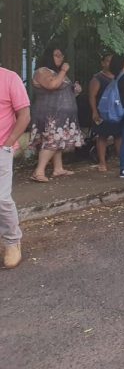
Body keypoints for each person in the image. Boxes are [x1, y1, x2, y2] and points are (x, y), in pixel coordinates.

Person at [28, 47, 84, 182]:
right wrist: (64, 70)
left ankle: (58, 168)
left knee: (57, 142)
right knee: (51, 142)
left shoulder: (57, 72)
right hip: (50, 115)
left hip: (62, 115)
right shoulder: (42, 71)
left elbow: (62, 90)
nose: (61, 58)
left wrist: (75, 89)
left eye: (62, 55)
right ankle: (38, 171)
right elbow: (52, 85)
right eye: (57, 55)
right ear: (48, 56)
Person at [1, 66, 31, 269]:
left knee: (1, 198)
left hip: (1, 147)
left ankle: (12, 241)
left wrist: (9, 143)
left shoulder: (9, 78)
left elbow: (24, 116)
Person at [88, 52, 123, 173]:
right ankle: (102, 162)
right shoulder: (98, 78)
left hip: (117, 112)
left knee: (119, 136)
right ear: (102, 63)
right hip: (102, 113)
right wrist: (94, 112)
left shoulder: (118, 76)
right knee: (102, 137)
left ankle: (122, 160)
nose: (110, 63)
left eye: (112, 61)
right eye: (107, 60)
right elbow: (92, 96)